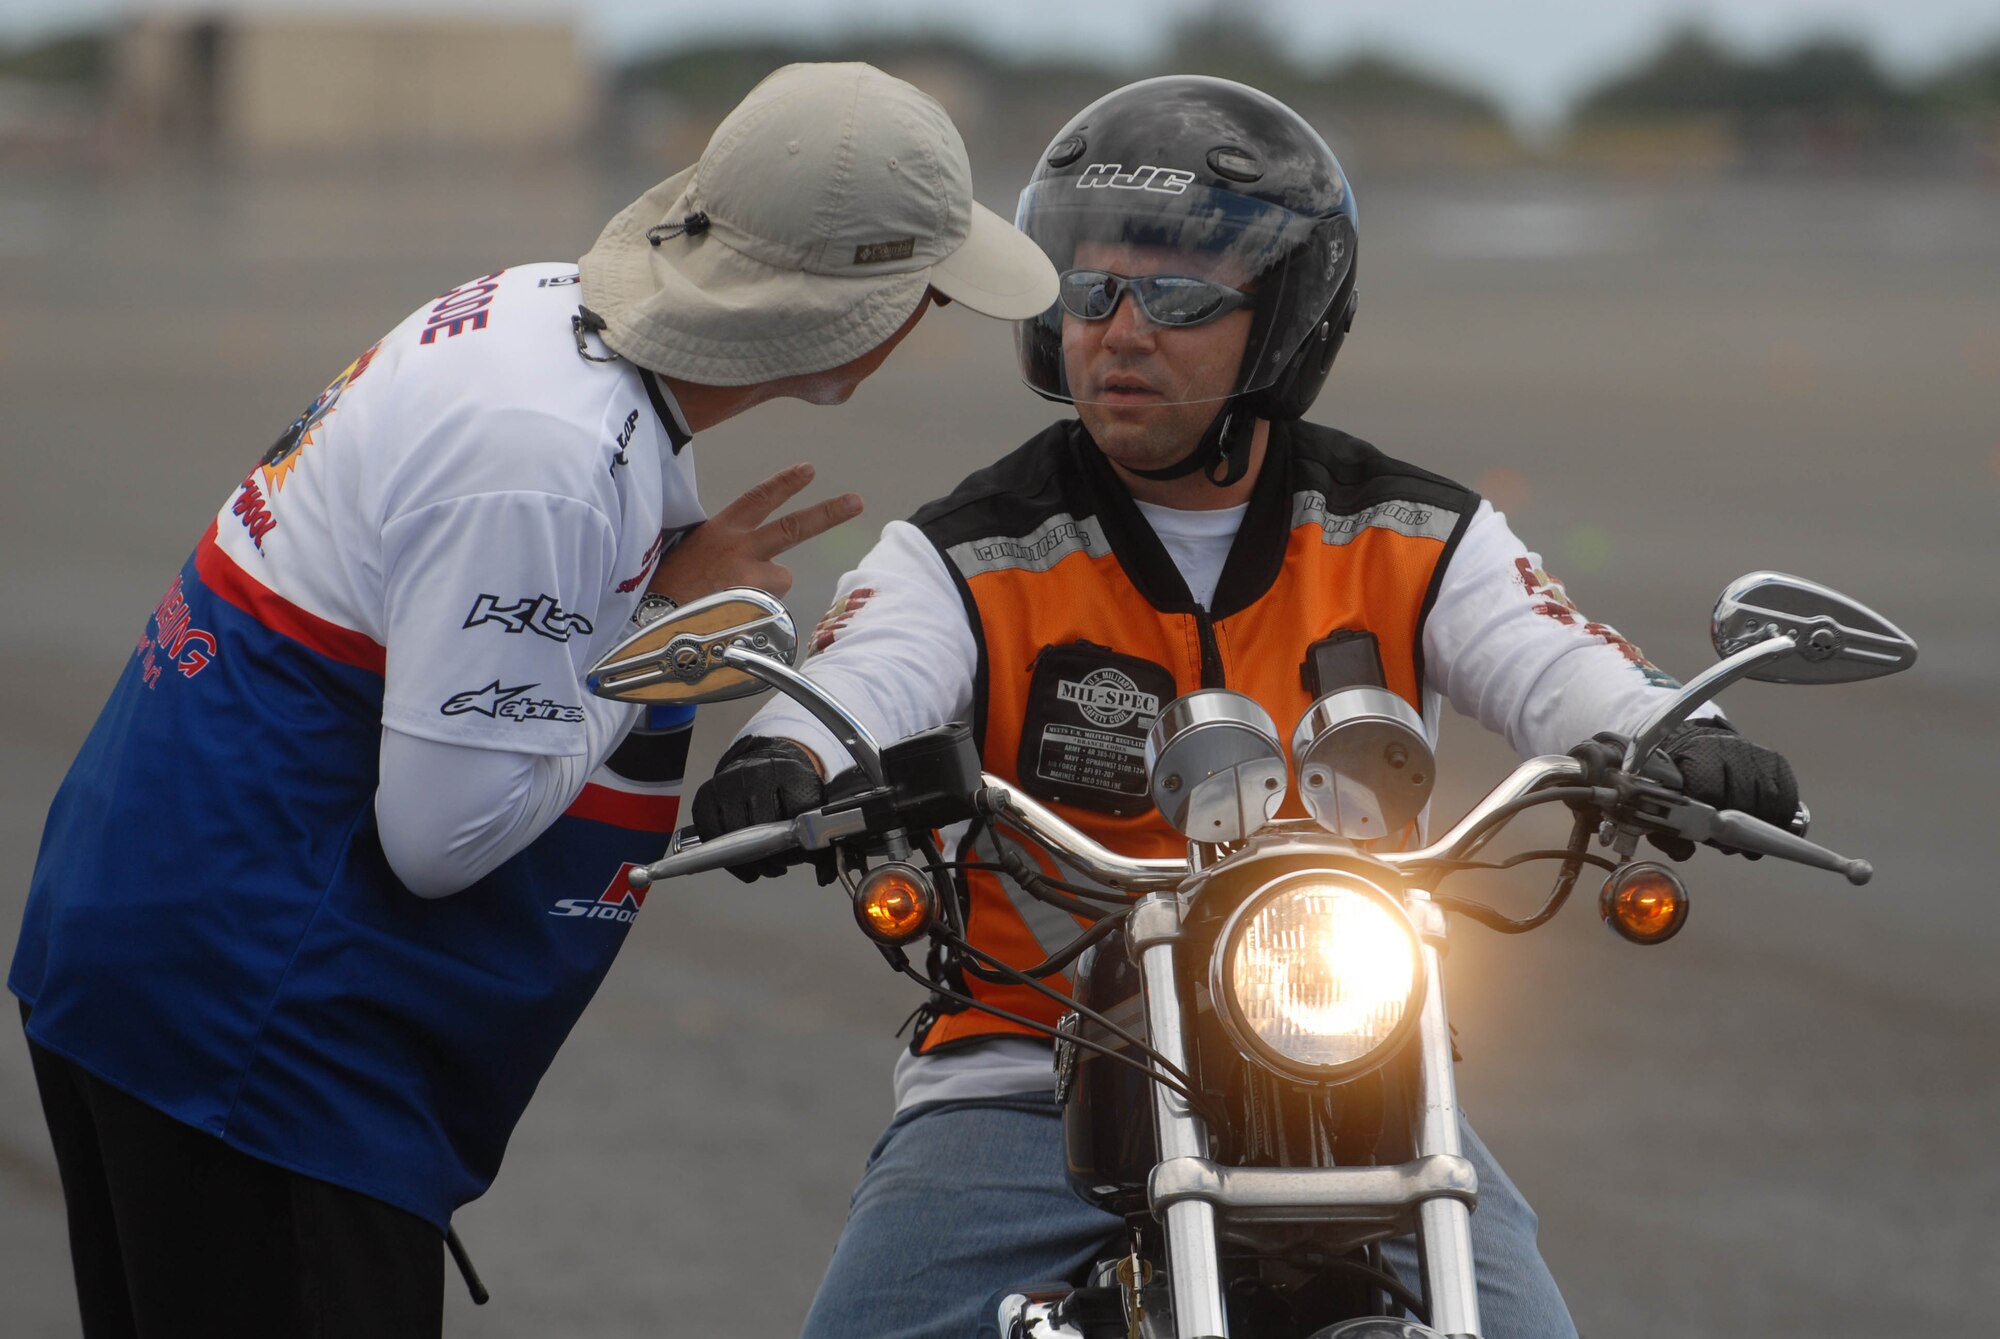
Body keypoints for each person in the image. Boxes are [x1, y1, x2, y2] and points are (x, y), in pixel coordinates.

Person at [690, 76, 1802, 1339]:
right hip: (1027, 1067)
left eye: (1176, 297)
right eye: (1088, 289)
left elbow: (1554, 660)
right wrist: (789, 750)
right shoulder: (961, 552)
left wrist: (1680, 740)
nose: (1118, 331)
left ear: (1281, 320)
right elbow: (863, 674)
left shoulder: (1416, 533)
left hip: (1342, 1059)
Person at [9, 61, 1057, 1338]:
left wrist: (656, 594)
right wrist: (666, 634)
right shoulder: (546, 460)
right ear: (861, 314)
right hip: (257, 1028)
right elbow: (441, 840)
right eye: (927, 291)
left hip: (154, 937)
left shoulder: (528, 310)